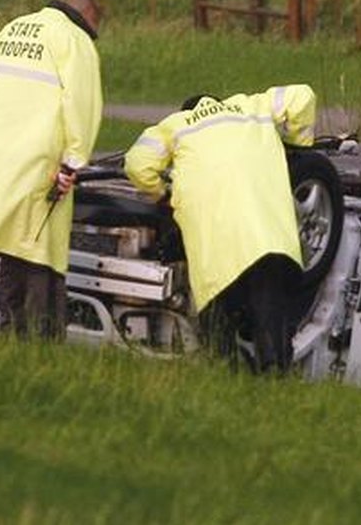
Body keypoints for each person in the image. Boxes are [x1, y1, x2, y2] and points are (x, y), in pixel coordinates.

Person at [123, 85, 317, 373]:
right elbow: (303, 96)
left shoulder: (176, 126)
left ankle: (224, 374)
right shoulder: (253, 106)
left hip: (215, 242)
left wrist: (162, 193)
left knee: (217, 314)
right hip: (267, 234)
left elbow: (137, 165)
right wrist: (298, 145)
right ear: (219, 103)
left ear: (188, 111)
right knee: (270, 307)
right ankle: (274, 370)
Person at [0, 0, 104, 340]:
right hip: (40, 163)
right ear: (89, 18)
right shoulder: (74, 39)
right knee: (41, 252)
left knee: (12, 249)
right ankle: (41, 340)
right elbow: (82, 106)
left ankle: (10, 332)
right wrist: (72, 164)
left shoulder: (11, 30)